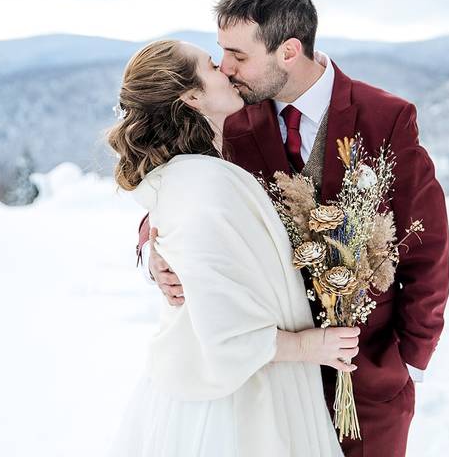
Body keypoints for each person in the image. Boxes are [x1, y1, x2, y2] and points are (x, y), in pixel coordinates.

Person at [137, 0, 449, 457]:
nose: (226, 67)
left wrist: (406, 356)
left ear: (288, 51)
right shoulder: (224, 115)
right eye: (220, 52)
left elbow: (426, 245)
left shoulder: (386, 118)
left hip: (364, 380)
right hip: (269, 381)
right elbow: (182, 191)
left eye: (238, 55)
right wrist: (154, 247)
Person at [106, 39, 353, 456]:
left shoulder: (198, 173)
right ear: (193, 97)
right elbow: (226, 334)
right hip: (234, 405)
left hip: (241, 384)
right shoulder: (201, 184)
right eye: (211, 63)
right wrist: (309, 346)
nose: (225, 67)